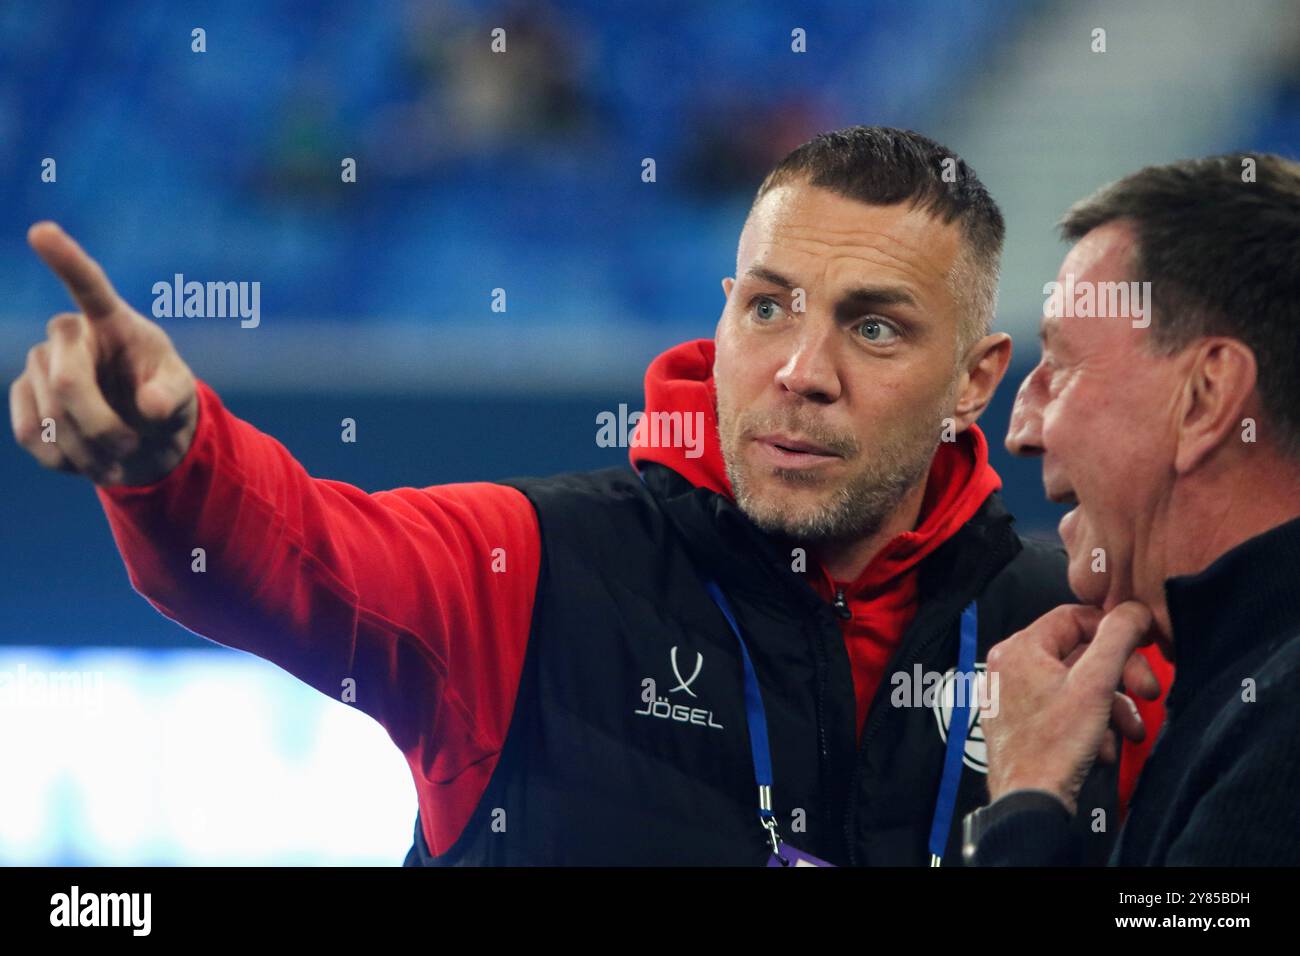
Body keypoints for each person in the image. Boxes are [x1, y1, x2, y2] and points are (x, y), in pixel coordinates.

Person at [8, 126, 1168, 866]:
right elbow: (300, 556)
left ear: (975, 375)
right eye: (766, 307)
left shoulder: (1072, 634)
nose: (801, 369)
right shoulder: (533, 565)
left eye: (872, 326)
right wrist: (174, 457)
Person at [963, 152, 1300, 866]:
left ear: (1207, 398)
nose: (1020, 429)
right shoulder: (1243, 689)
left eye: (1061, 367)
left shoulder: (1284, 726)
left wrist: (1027, 798)